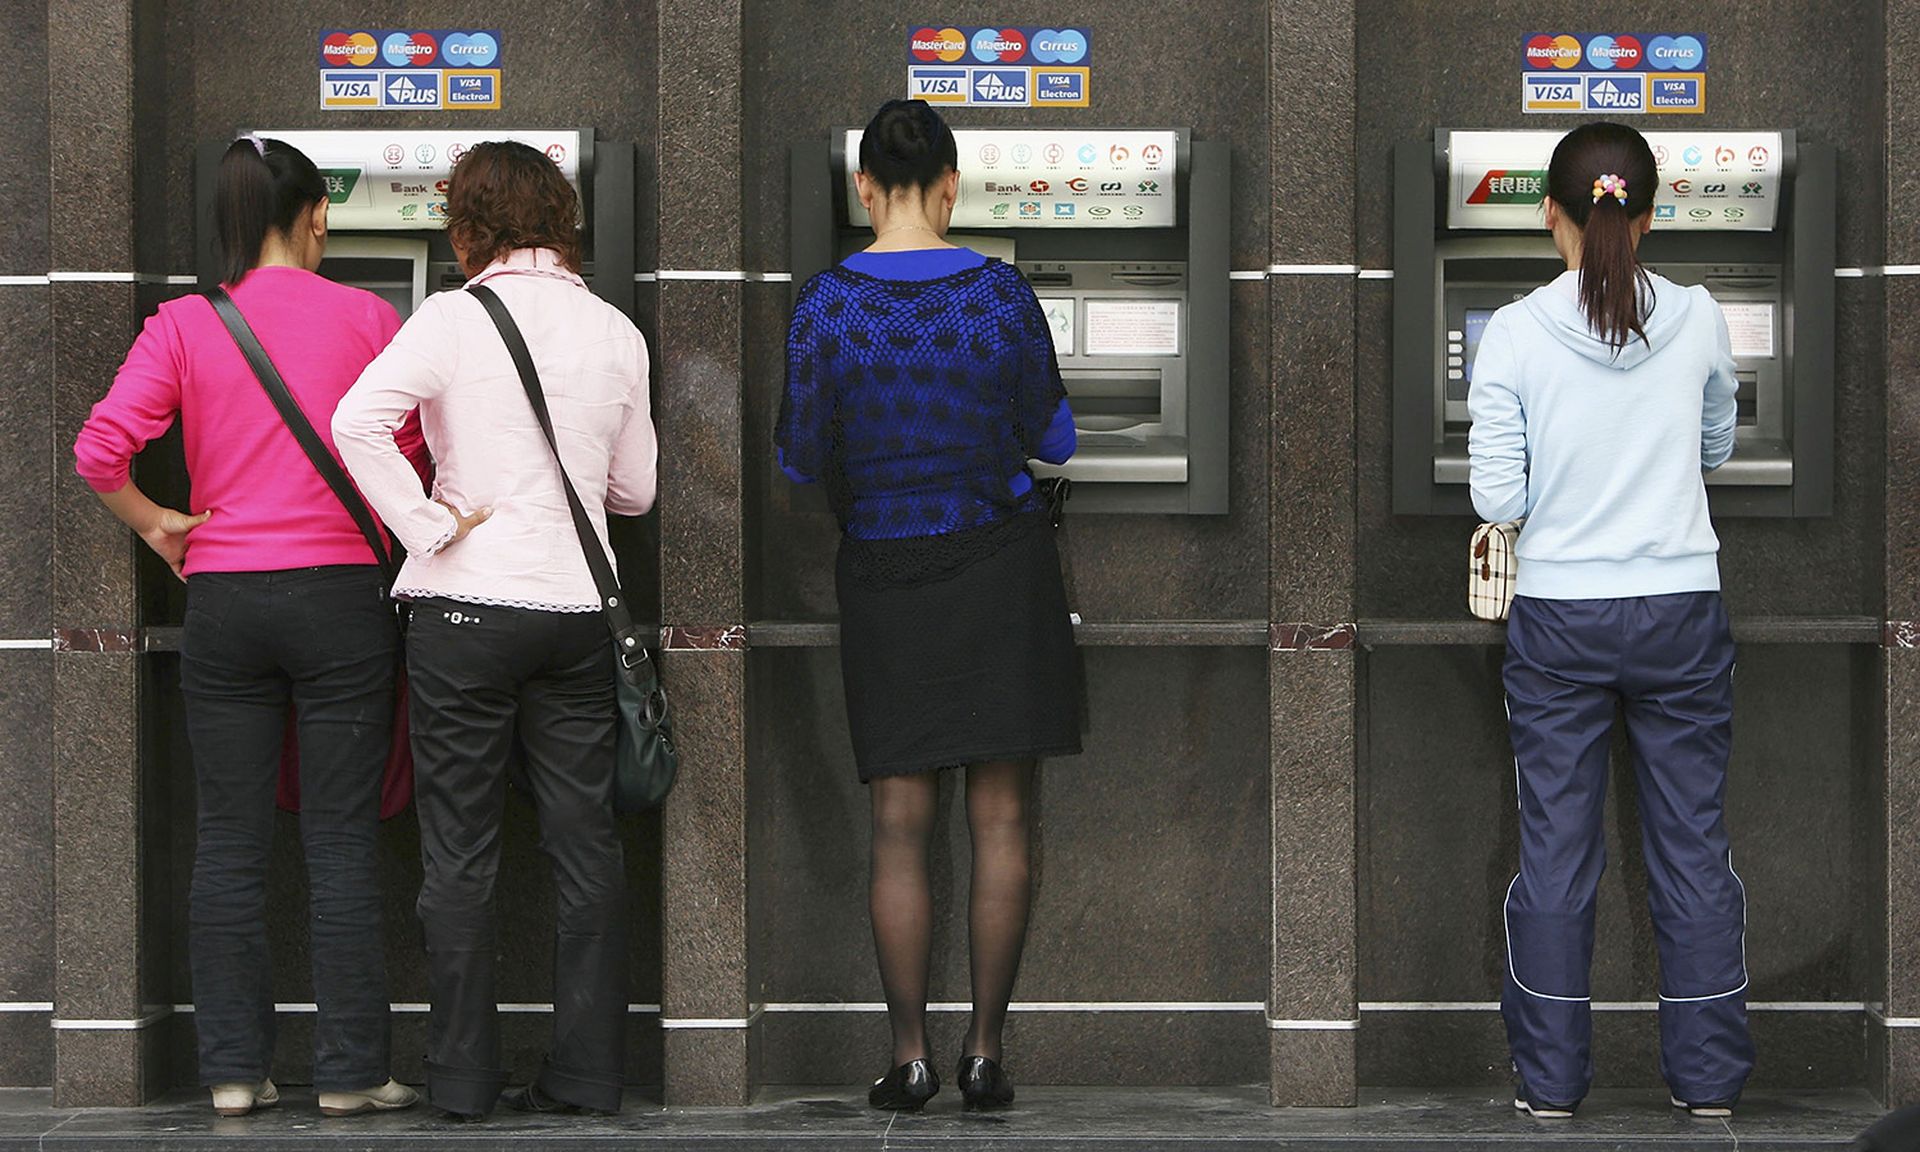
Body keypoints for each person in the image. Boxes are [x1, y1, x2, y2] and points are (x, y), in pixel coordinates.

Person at [72, 136, 423, 1118]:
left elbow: (99, 448)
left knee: (228, 839)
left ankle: (233, 1071)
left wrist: (157, 525)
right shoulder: (366, 315)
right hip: (341, 598)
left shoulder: (185, 323)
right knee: (342, 839)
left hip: (225, 598)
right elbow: (408, 450)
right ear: (315, 215)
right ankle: (353, 1074)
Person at [333, 140, 657, 1122]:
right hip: (570, 616)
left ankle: (464, 1079)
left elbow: (356, 422)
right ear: (561, 217)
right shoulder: (614, 330)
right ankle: (588, 1073)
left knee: (460, 853)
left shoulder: (448, 318)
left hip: (464, 612)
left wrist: (430, 524)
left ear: (466, 225)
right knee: (584, 847)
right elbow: (635, 491)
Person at [778, 98, 1082, 1113]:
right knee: (1002, 815)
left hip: (885, 575)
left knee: (901, 822)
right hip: (1000, 568)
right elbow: (1059, 439)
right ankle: (985, 1054)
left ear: (863, 188)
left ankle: (908, 1055)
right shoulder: (1000, 295)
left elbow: (797, 454)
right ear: (952, 188)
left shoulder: (825, 305)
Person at [1468, 121, 1752, 1119]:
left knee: (1556, 852)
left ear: (1552, 213)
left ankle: (1549, 1089)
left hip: (1561, 620)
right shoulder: (1704, 316)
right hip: (1681, 607)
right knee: (1693, 847)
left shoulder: (1512, 333)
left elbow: (1500, 490)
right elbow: (1717, 441)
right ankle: (1710, 1084)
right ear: (1651, 211)